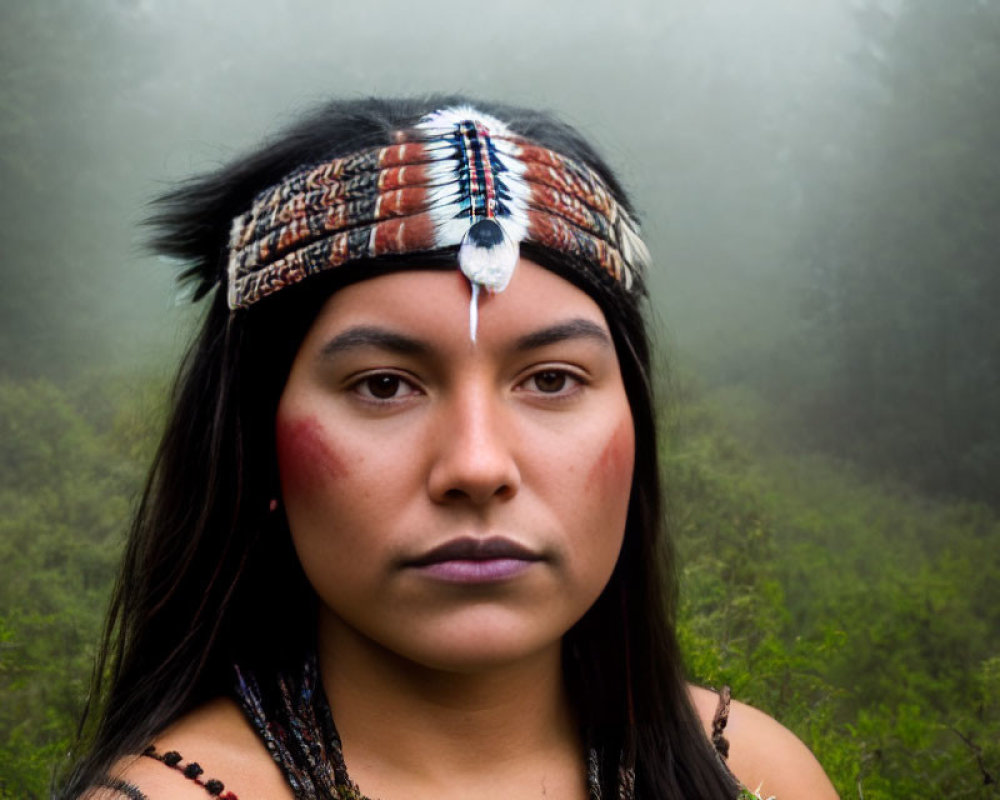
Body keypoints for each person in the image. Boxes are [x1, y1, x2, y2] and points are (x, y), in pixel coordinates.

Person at [61, 96, 836, 800]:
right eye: (384, 386)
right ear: (254, 444)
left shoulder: (758, 774)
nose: (476, 467)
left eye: (553, 380)